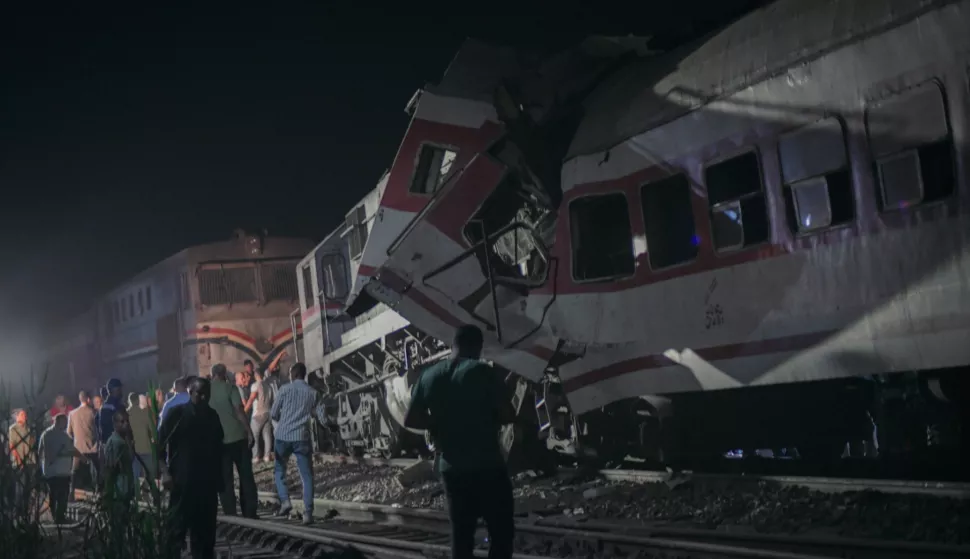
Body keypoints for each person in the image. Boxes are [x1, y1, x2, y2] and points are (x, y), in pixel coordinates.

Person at [405, 324, 516, 559]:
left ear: (453, 345)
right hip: (487, 466)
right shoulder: (482, 371)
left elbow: (411, 418)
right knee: (501, 532)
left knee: (461, 537)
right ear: (477, 346)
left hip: (451, 469)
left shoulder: (429, 375)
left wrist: (436, 425)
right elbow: (508, 414)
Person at [158, 376, 225, 559]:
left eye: (207, 394)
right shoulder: (176, 415)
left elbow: (219, 449)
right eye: (200, 394)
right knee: (175, 531)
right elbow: (159, 447)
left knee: (205, 536)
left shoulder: (212, 416)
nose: (203, 398)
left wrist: (220, 481)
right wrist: (165, 473)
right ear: (190, 392)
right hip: (182, 484)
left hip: (207, 485)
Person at [270, 362, 325, 525]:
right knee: (307, 475)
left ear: (293, 375)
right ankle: (308, 513)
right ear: (304, 375)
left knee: (280, 470)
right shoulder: (313, 393)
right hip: (302, 437)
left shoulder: (284, 389)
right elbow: (322, 418)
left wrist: (284, 422)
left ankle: (285, 501)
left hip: (283, 436)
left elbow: (273, 413)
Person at [207, 363, 257, 518]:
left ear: (212, 374)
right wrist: (249, 431)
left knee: (225, 479)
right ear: (224, 374)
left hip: (218, 442)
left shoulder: (206, 391)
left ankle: (230, 513)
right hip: (237, 438)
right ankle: (249, 512)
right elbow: (239, 411)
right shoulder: (231, 389)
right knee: (246, 476)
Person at [38, 413, 87, 523]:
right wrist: (82, 457)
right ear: (59, 421)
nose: (66, 424)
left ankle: (55, 515)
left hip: (49, 471)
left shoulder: (45, 434)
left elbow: (40, 451)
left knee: (53, 493)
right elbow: (72, 450)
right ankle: (60, 516)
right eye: (65, 422)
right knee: (62, 494)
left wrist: (40, 466)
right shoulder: (64, 436)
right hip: (62, 471)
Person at [67, 390, 100, 490]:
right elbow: (99, 429)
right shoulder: (93, 412)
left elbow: (69, 432)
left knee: (74, 471)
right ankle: (99, 491)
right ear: (89, 399)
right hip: (93, 447)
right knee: (98, 470)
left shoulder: (72, 414)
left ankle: (71, 492)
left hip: (78, 448)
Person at [102, 407, 136, 502]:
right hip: (117, 493)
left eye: (127, 421)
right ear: (115, 424)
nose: (126, 424)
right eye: (122, 421)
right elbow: (111, 469)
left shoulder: (124, 440)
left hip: (125, 490)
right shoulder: (115, 442)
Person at [8, 409, 36, 510]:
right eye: (22, 414)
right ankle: (18, 511)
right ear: (17, 416)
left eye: (25, 414)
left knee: (28, 487)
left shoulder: (28, 429)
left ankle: (25, 510)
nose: (24, 416)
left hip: (29, 461)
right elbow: (12, 446)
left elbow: (32, 444)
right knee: (20, 487)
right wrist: (19, 460)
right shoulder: (13, 429)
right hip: (19, 462)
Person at [127, 393, 155, 483]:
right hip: (146, 448)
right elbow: (153, 430)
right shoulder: (146, 412)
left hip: (133, 450)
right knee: (151, 475)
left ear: (129, 401)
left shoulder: (126, 414)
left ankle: (137, 495)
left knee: (136, 476)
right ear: (138, 400)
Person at [248, 370, 274, 463]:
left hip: (257, 414)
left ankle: (255, 457)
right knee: (267, 435)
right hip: (268, 412)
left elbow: (252, 398)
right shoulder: (269, 386)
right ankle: (267, 456)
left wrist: (245, 409)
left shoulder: (255, 385)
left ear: (256, 375)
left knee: (254, 435)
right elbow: (271, 400)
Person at [97, 378, 124, 444]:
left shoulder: (106, 405)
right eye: (120, 389)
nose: (121, 391)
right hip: (115, 444)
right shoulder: (113, 406)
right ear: (115, 389)